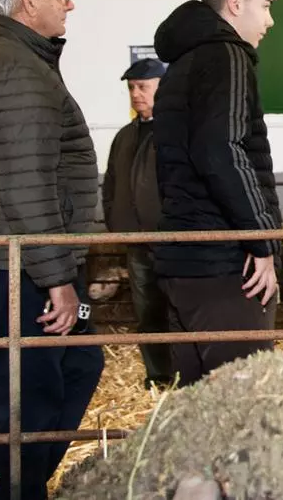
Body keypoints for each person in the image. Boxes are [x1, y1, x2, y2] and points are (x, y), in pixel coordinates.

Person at [0, 0, 104, 499]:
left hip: (25, 253)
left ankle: (21, 486)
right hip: (24, 259)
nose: (69, 6)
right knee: (37, 384)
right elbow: (26, 181)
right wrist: (57, 278)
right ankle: (17, 491)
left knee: (77, 363)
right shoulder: (14, 69)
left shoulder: (16, 59)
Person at [151, 0, 281, 387]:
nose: (269, 21)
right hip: (224, 265)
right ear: (236, 3)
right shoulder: (228, 55)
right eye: (266, 5)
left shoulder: (183, 61)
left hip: (184, 261)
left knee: (196, 402)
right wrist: (262, 240)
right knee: (243, 398)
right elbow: (221, 151)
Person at [102, 57, 172, 389]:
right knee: (147, 310)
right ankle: (157, 376)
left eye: (143, 87)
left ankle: (183, 375)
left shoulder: (175, 133)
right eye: (131, 88)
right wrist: (115, 220)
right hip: (138, 241)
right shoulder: (125, 137)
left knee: (176, 308)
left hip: (171, 240)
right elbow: (111, 182)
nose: (135, 94)